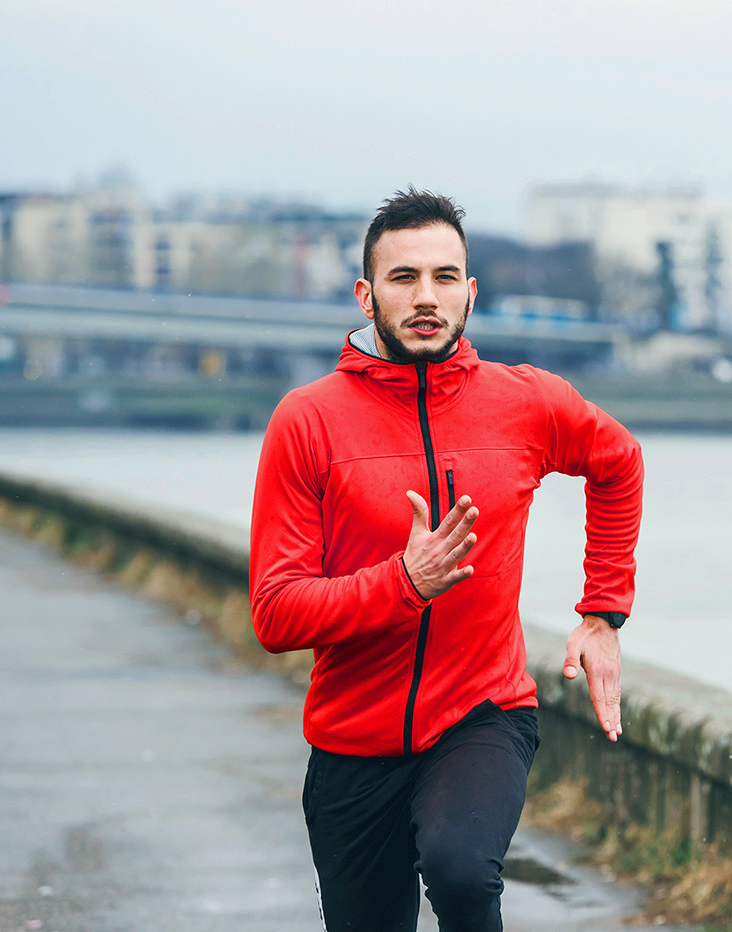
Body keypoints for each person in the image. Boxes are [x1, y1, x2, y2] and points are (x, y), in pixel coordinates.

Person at [248, 188, 643, 931]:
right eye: (403, 278)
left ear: (470, 292)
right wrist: (402, 583)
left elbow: (619, 462)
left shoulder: (526, 403)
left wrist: (603, 610)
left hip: (482, 714)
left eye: (443, 277)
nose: (426, 297)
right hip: (352, 744)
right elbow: (275, 613)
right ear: (367, 296)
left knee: (462, 872)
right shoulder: (308, 421)